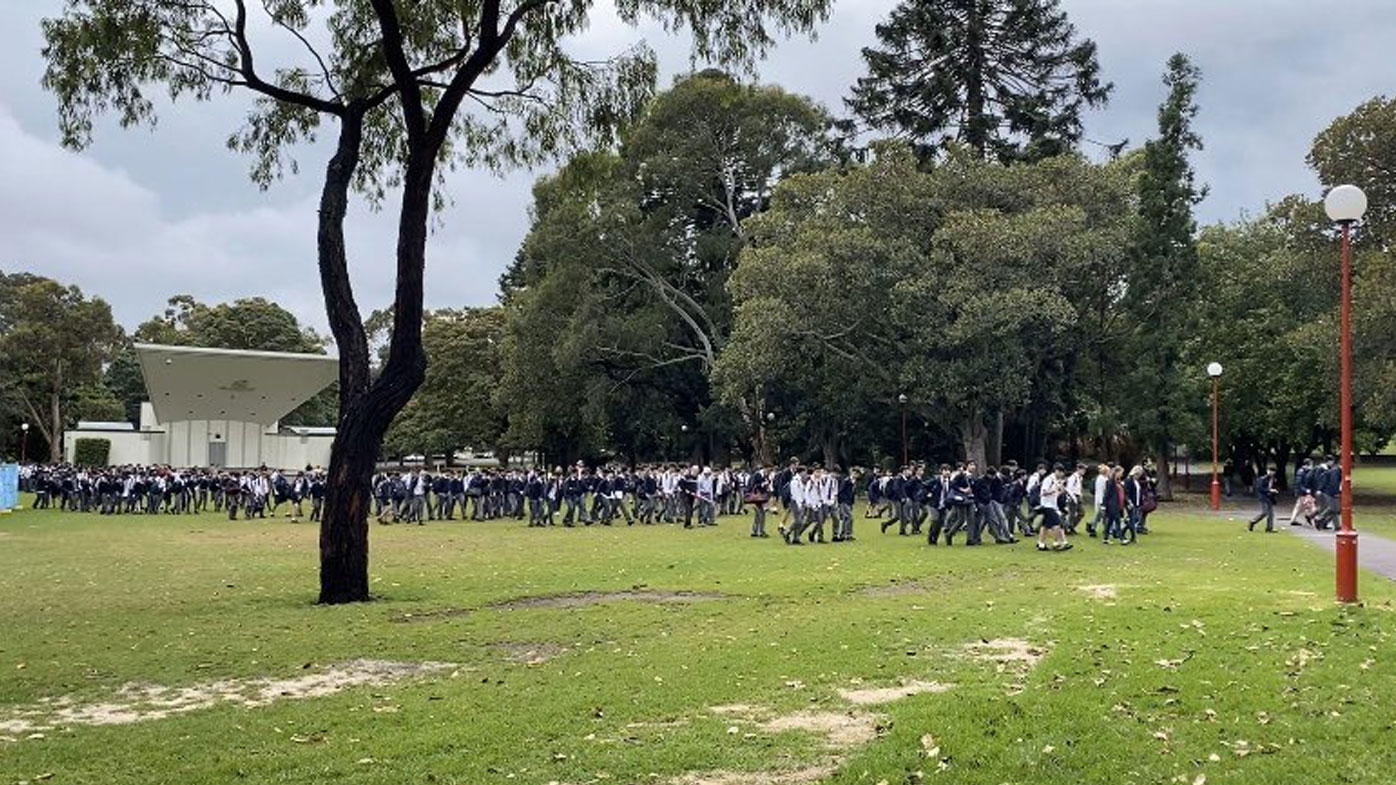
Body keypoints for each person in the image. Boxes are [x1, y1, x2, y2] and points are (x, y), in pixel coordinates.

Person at [1035, 464, 1073, 552]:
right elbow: (1043, 492)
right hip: (1047, 505)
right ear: (1056, 471)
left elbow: (1055, 494)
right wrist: (1054, 490)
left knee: (1045, 525)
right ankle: (1061, 542)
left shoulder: (1055, 480)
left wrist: (1061, 490)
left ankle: (1041, 543)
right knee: (1057, 524)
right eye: (1060, 473)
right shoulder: (1049, 480)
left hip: (1052, 505)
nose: (1061, 475)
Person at [1249, 465, 1280, 533]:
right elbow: (1260, 488)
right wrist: (1269, 490)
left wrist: (1275, 491)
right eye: (1269, 471)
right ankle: (1253, 521)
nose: (1270, 473)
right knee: (1264, 512)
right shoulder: (1263, 479)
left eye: (1272, 471)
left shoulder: (1274, 479)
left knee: (1271, 514)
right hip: (1263, 498)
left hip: (1269, 498)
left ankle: (1269, 528)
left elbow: (1275, 486)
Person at [1087, 463, 1109, 538]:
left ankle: (1092, 527)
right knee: (1105, 516)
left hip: (1099, 499)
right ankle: (1106, 530)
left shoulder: (1099, 478)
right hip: (1102, 499)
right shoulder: (1104, 479)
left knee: (1098, 515)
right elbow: (1105, 490)